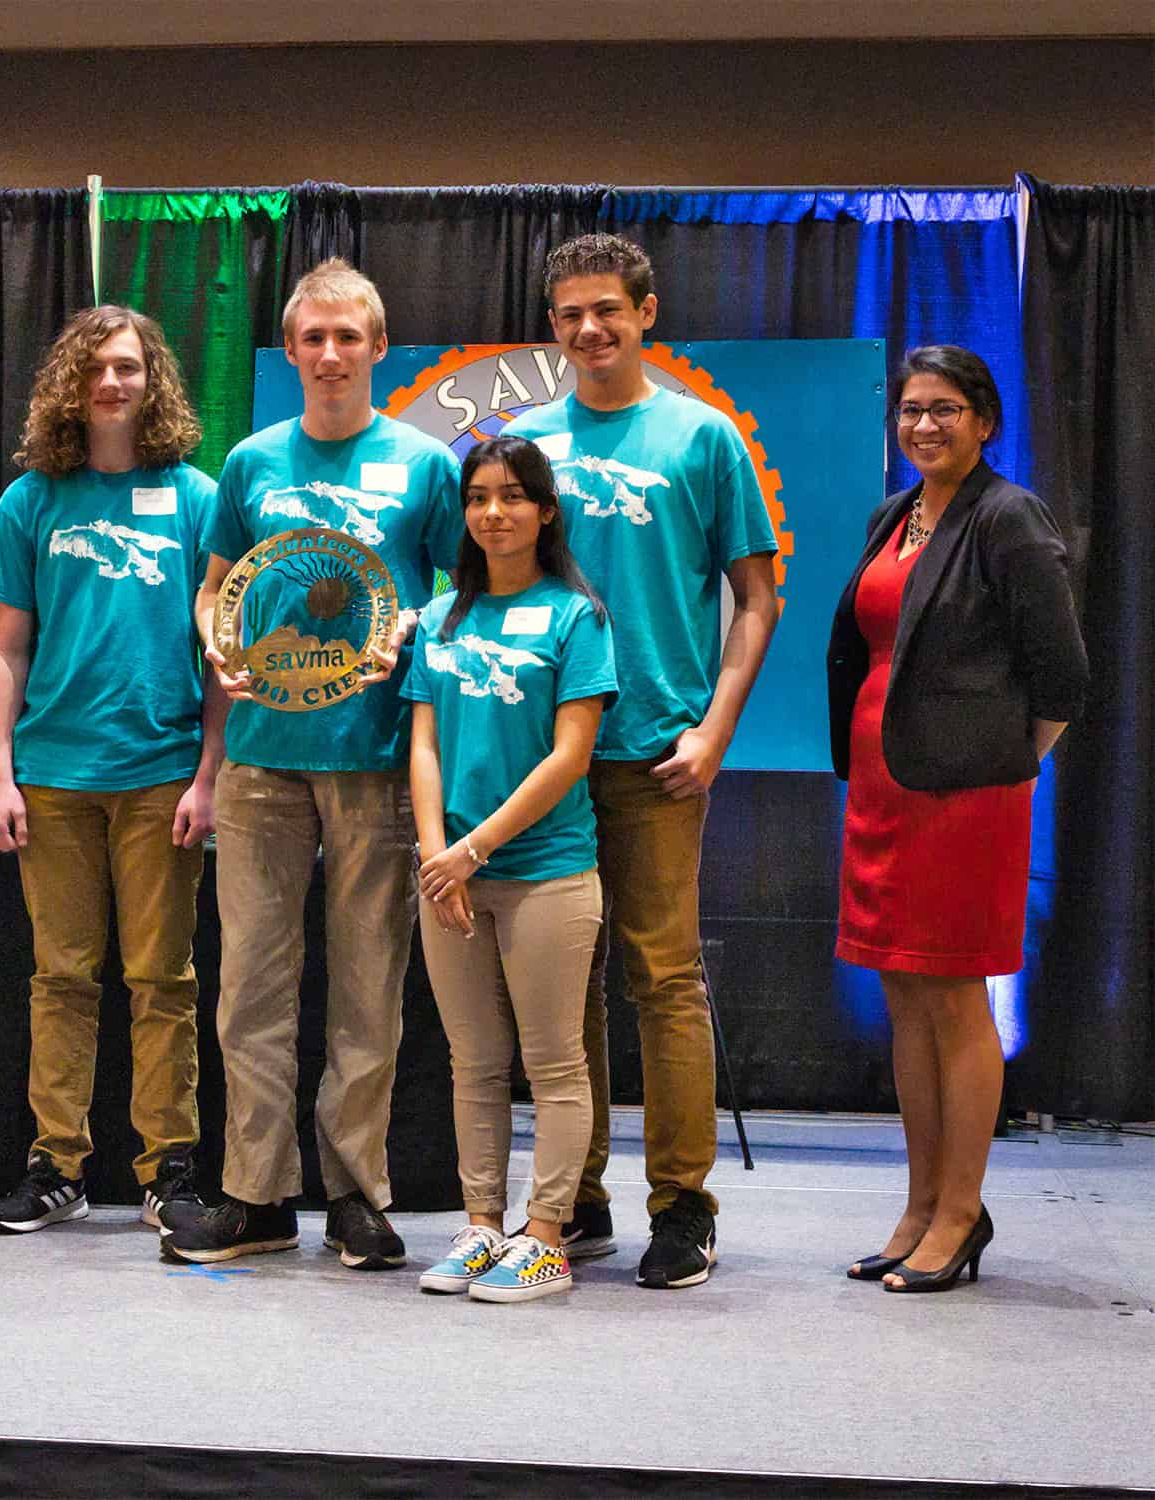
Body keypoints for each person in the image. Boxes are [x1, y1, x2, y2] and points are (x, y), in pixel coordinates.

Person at [168, 259, 465, 1268]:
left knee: (368, 984)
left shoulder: (426, 466)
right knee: (248, 984)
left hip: (377, 756)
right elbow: (214, 591)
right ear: (290, 351)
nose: (331, 354)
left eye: (349, 337)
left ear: (379, 348)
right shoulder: (250, 463)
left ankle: (356, 1193)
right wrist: (213, 638)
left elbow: (471, 597)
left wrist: (412, 624)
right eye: (313, 338)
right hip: (259, 759)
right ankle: (254, 1197)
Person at [503, 233, 779, 1289]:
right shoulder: (526, 445)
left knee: (662, 979)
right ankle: (578, 1199)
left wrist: (714, 731)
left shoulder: (703, 439)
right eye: (570, 314)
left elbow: (755, 600)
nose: (589, 330)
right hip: (548, 759)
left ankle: (684, 1207)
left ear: (647, 312)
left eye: (608, 310)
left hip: (659, 752)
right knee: (559, 989)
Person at [826, 345, 1087, 1293]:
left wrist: (1001, 769)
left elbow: (1062, 677)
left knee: (953, 997)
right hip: (882, 789)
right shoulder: (892, 517)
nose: (924, 425)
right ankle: (918, 1204)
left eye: (944, 409)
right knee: (904, 997)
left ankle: (961, 1212)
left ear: (984, 420)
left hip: (966, 800)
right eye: (910, 409)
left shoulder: (1008, 517)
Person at [0, 306, 222, 1235]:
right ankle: (57, 1166)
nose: (110, 384)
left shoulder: (197, 497)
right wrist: (0, 774)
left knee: (164, 980)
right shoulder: (32, 498)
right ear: (67, 388)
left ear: (153, 380)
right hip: (55, 775)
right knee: (62, 978)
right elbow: (4, 650)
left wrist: (210, 776)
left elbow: (223, 652)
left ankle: (170, 1170)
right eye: (93, 370)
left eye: (126, 367)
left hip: (163, 772)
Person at [405, 437, 615, 1303]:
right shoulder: (439, 616)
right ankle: (483, 1226)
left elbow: (570, 755)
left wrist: (473, 848)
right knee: (473, 1063)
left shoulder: (576, 616)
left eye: (514, 496)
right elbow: (421, 743)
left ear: (546, 510)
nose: (495, 513)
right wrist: (435, 857)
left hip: (546, 875)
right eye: (480, 497)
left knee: (555, 1063)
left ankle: (546, 1237)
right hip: (449, 876)